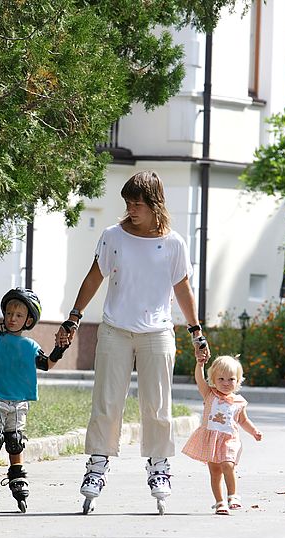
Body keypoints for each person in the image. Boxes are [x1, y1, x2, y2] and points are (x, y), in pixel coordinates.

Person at [56, 170, 210, 515]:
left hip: (157, 332)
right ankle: (97, 467)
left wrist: (196, 331)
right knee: (107, 402)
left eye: (137, 203)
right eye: (127, 202)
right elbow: (95, 276)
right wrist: (74, 316)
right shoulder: (114, 237)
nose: (130, 208)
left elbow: (182, 288)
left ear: (155, 204)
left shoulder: (173, 243)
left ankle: (159, 467)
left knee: (157, 405)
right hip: (115, 330)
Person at [0, 287, 69, 513]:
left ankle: (18, 480)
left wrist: (59, 349)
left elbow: (46, 365)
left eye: (19, 315)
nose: (12, 318)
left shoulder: (30, 346)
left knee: (14, 442)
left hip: (19, 402)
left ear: (29, 320)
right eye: (9, 313)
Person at [182, 354, 262, 515]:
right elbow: (199, 379)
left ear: (238, 380)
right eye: (221, 379)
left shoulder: (239, 401)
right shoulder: (209, 394)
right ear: (213, 379)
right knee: (215, 472)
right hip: (211, 439)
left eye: (231, 379)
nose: (226, 383)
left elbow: (243, 420)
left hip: (229, 439)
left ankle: (233, 496)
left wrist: (254, 431)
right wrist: (200, 365)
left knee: (228, 464)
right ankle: (220, 502)